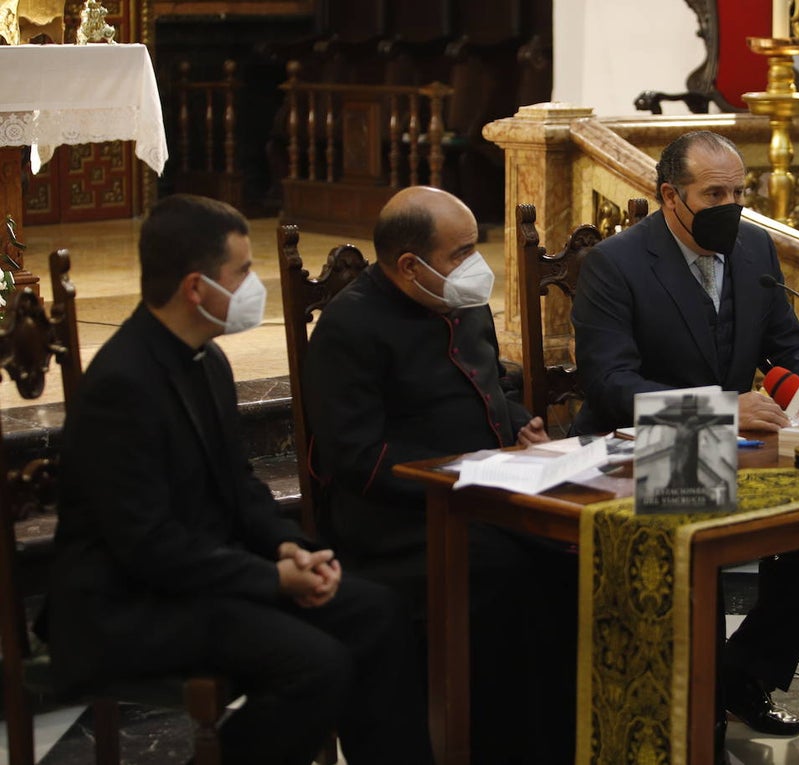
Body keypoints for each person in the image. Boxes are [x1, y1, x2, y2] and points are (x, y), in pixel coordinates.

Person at [49, 194, 432, 765]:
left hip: (201, 576)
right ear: (196, 289)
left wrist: (292, 549)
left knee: (377, 612)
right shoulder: (122, 385)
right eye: (244, 272)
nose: (256, 284)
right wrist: (272, 579)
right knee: (316, 665)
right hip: (130, 604)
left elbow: (240, 484)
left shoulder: (208, 358)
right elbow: (147, 545)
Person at [570, 130, 799, 749]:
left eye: (738, 191)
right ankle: (690, 717)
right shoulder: (614, 264)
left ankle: (740, 674)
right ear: (671, 196)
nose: (731, 205)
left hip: (745, 449)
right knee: (695, 530)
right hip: (646, 448)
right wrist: (723, 411)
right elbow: (612, 386)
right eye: (715, 193)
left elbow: (788, 342)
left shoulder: (754, 248)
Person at [303, 186, 574, 764]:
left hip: (487, 496)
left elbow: (496, 383)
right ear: (409, 265)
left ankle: (562, 741)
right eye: (462, 252)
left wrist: (523, 425)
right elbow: (356, 459)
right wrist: (461, 481)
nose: (477, 266)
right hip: (398, 522)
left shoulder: (462, 301)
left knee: (574, 554)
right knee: (507, 571)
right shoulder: (349, 328)